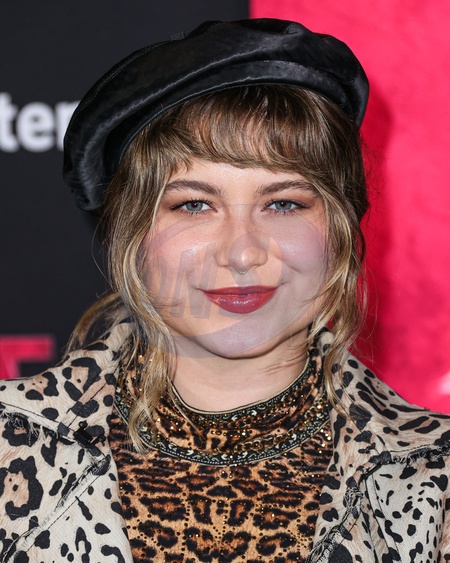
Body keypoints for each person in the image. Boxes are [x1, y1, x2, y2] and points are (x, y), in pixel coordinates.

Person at [0, 18, 449, 563]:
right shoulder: (11, 447)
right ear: (132, 231)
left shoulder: (434, 476)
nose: (242, 253)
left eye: (283, 204)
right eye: (194, 205)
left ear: (339, 226)